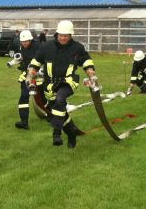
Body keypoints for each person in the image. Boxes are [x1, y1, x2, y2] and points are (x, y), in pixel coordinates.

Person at [28, 20, 96, 148]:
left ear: (71, 36)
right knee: (59, 112)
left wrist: (91, 74)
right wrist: (30, 75)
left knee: (60, 100)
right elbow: (35, 63)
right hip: (49, 85)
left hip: (68, 82)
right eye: (61, 35)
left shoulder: (77, 48)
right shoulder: (46, 47)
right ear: (57, 34)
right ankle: (71, 133)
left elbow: (86, 62)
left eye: (66, 35)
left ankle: (56, 133)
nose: (63, 38)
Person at [10, 30, 36, 129]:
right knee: (24, 98)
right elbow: (21, 58)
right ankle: (24, 122)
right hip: (26, 76)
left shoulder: (38, 47)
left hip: (39, 76)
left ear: (30, 40)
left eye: (26, 41)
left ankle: (51, 117)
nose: (24, 43)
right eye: (22, 41)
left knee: (45, 97)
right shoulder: (22, 47)